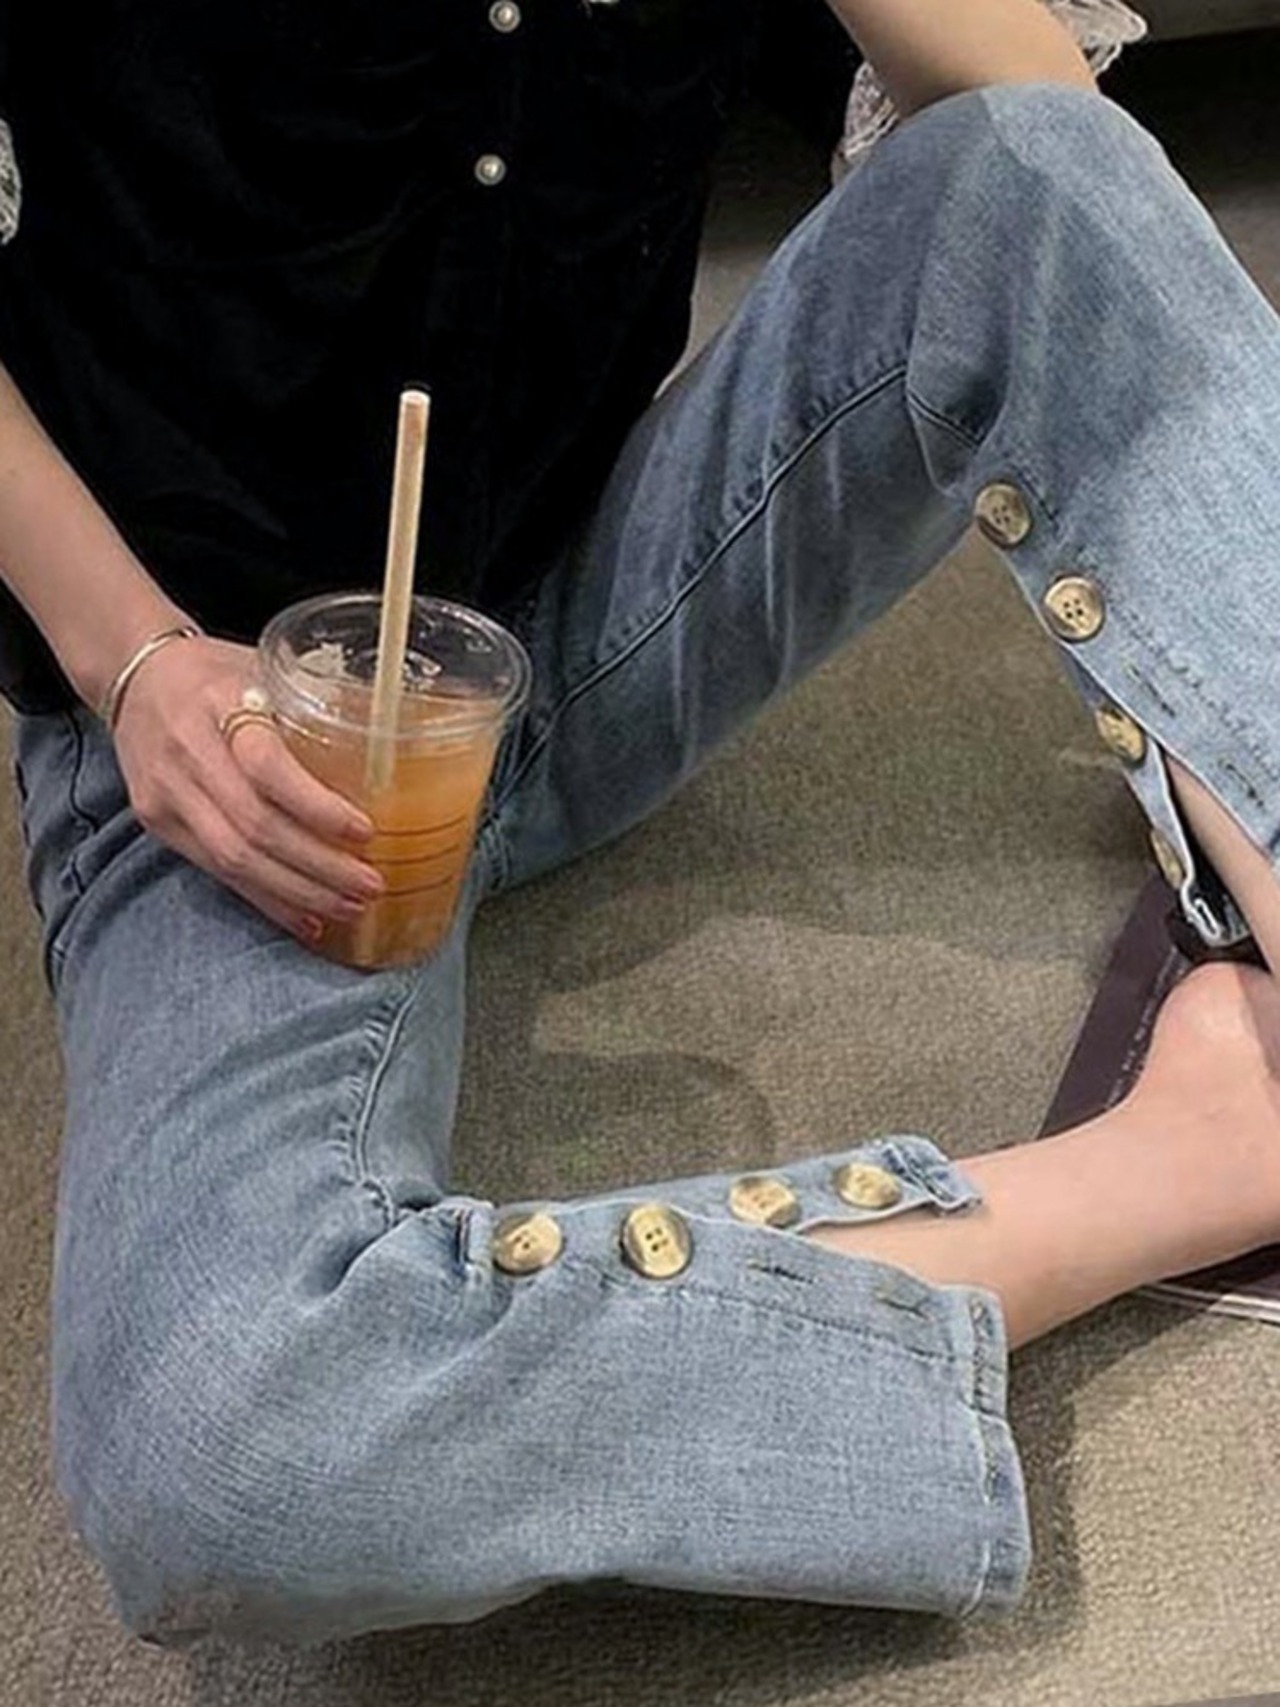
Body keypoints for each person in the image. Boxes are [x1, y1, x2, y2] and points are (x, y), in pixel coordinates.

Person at [2, 0, 1280, 1649]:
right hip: (221, 710)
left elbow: (1055, 200)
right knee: (228, 1445)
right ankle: (1193, 1153)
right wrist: (126, 660)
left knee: (1030, 171)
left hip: (593, 605)